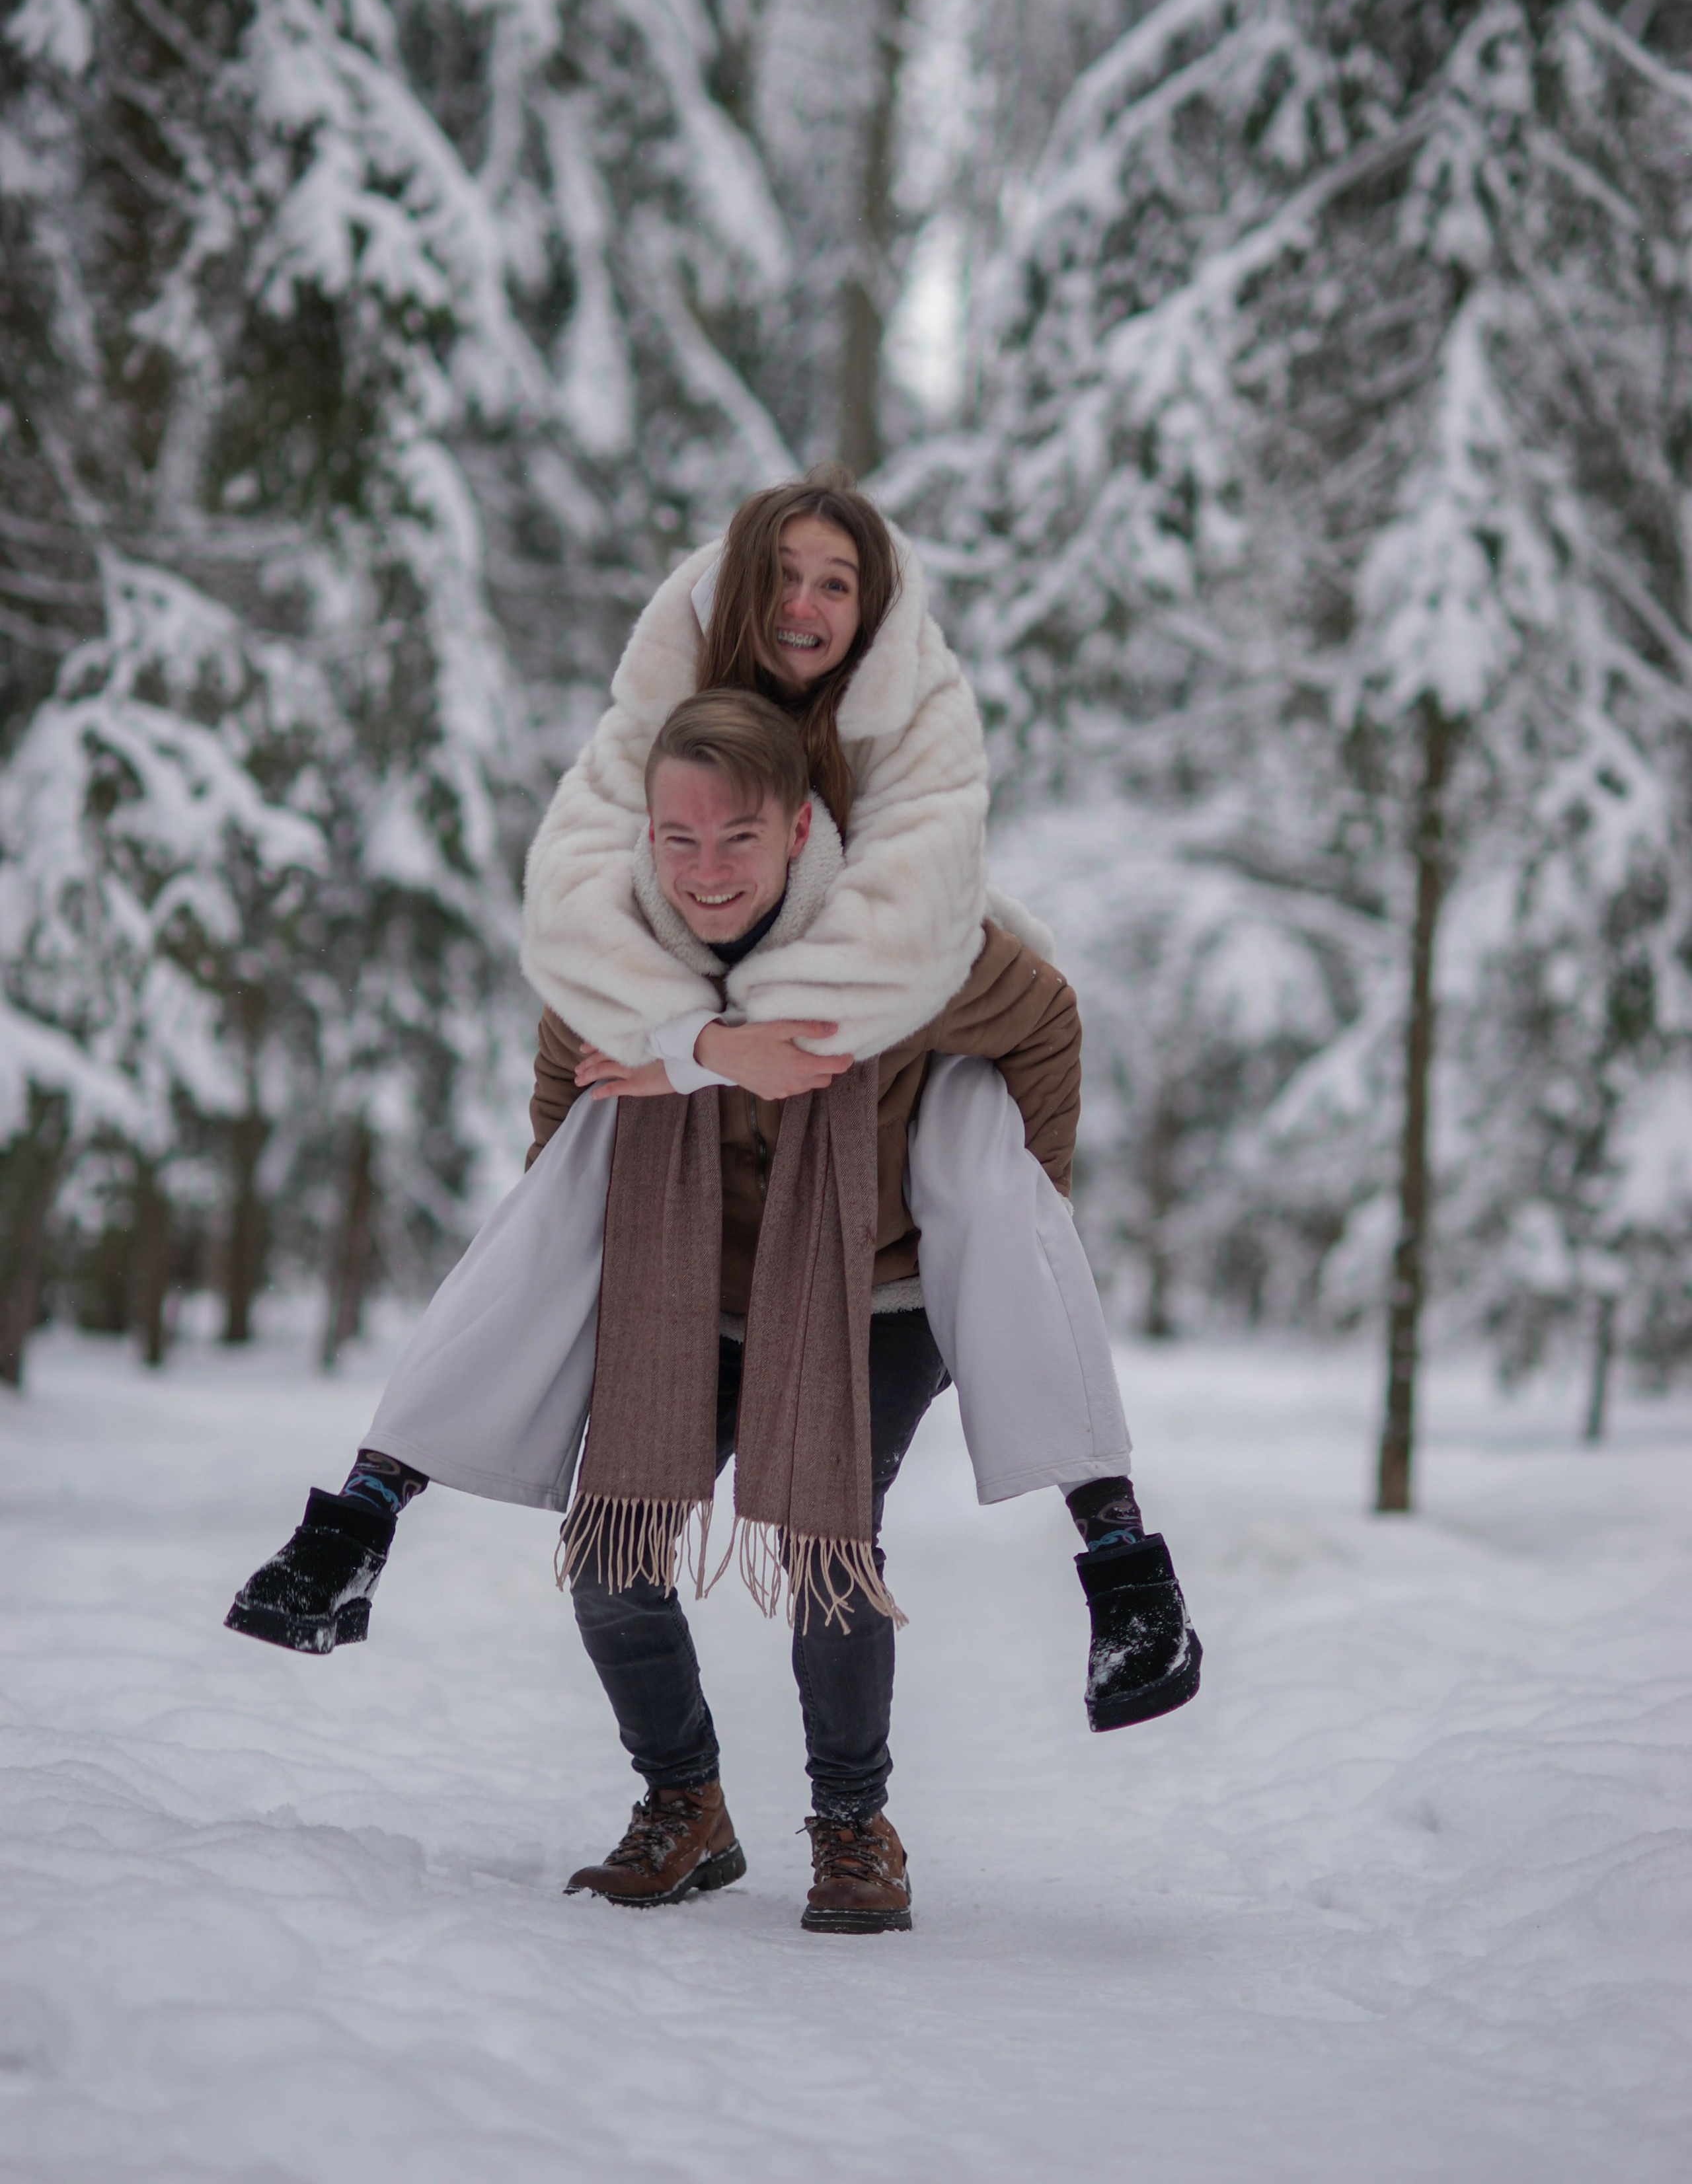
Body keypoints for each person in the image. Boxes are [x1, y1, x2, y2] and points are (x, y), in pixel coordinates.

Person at [227, 469, 1196, 1743]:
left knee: (975, 1141)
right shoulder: (660, 787)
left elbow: (1022, 1014)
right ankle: (365, 1512)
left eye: (836, 581)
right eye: (783, 576)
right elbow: (575, 981)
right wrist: (681, 1081)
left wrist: (998, 1247)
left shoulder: (913, 797)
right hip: (705, 1238)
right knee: (585, 1155)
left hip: (873, 1243)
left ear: (798, 829)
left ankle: (1121, 1561)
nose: (805, 603)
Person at [537, 694, 1200, 1930]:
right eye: (678, 841)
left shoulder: (901, 945)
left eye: (738, 838)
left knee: (826, 1544)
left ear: (798, 832)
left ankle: (853, 1824)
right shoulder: (622, 949)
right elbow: (563, 1091)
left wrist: (1007, 1213)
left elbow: (1046, 1019)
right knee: (612, 1555)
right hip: (699, 1297)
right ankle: (687, 1803)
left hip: (877, 1295)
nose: (705, 871)